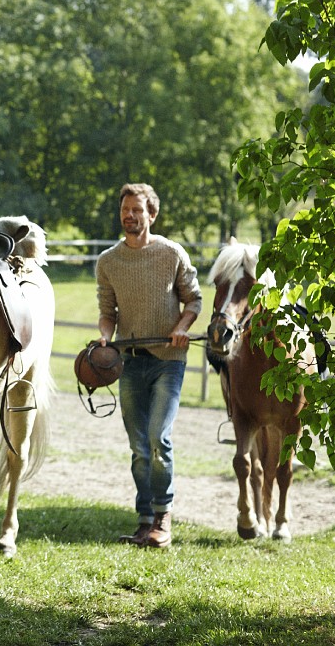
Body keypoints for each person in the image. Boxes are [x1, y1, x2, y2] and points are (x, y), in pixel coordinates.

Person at [95, 182, 202, 549]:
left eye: (137, 210)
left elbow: (193, 300)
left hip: (168, 362)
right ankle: (144, 520)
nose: (130, 216)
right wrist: (105, 338)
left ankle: (163, 517)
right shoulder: (108, 261)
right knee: (140, 447)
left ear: (151, 214)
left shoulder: (171, 253)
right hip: (130, 363)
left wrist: (181, 329)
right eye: (125, 210)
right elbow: (107, 313)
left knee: (158, 438)